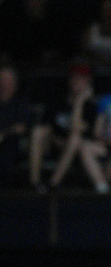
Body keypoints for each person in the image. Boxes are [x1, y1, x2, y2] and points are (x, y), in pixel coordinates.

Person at [31, 63, 109, 193]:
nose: (77, 81)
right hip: (55, 143)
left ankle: (53, 184)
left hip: (77, 149)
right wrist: (53, 138)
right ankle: (34, 183)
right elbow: (47, 125)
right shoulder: (58, 100)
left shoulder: (91, 107)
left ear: (88, 81)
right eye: (74, 78)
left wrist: (79, 102)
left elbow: (76, 129)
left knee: (74, 138)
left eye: (81, 78)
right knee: (37, 132)